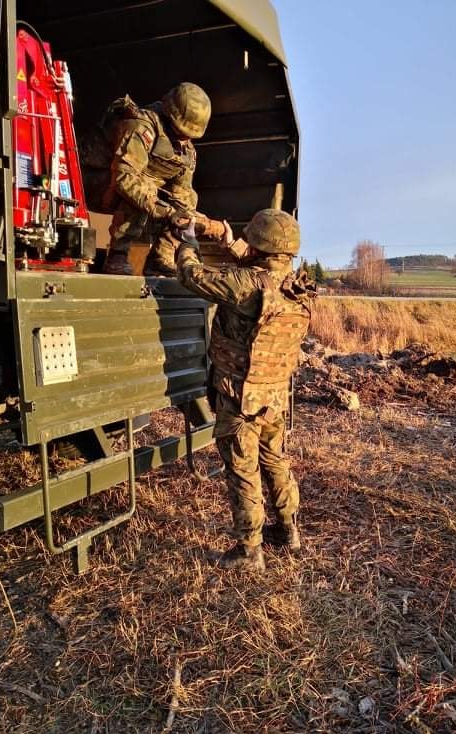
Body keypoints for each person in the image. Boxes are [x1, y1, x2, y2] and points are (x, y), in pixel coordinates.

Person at [176, 209, 316, 572]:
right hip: (274, 396)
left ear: (258, 244)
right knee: (275, 461)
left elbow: (191, 276)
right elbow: (259, 273)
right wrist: (226, 237)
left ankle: (249, 551)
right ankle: (289, 532)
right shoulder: (297, 286)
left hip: (239, 397)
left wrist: (189, 241)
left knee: (242, 470)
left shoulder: (243, 285)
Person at [81, 82, 222, 276]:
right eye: (181, 132)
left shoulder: (187, 151)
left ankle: (160, 257)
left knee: (188, 200)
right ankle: (117, 256)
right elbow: (125, 179)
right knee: (143, 189)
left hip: (130, 184)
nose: (185, 140)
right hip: (91, 184)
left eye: (189, 135)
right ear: (169, 116)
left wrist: (184, 215)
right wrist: (166, 212)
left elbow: (182, 193)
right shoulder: (140, 126)